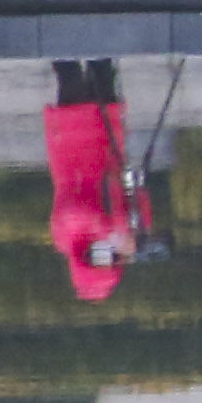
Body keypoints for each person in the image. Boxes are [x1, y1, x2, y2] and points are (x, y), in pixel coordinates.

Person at [46, 60, 142, 301]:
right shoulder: (120, 234)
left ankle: (57, 25)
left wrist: (114, 231)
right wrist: (134, 233)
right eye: (109, 260)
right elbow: (139, 200)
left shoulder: (65, 239)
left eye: (96, 260)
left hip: (73, 141)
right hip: (108, 142)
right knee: (103, 70)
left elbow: (75, 210)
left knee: (70, 74)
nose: (103, 253)